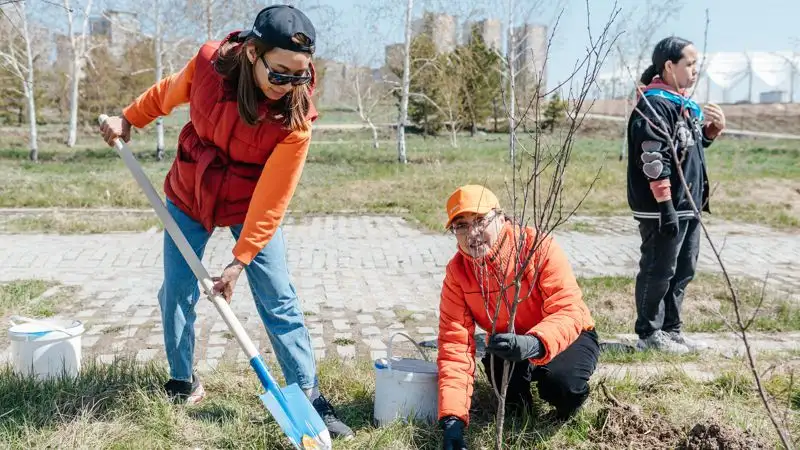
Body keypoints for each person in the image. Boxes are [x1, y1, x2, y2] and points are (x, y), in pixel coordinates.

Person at [98, 5, 353, 439]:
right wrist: (128, 118)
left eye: (301, 74)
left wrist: (240, 260)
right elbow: (167, 93)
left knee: (277, 297)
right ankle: (183, 381)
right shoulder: (208, 66)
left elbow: (273, 198)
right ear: (253, 53)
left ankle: (308, 395)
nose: (290, 84)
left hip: (250, 202)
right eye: (281, 73)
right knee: (176, 290)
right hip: (191, 189)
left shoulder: (296, 118)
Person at [436, 185, 599, 450]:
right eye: (461, 225)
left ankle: (569, 402)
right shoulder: (458, 272)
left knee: (560, 386)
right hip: (509, 345)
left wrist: (535, 343)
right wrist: (453, 420)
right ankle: (521, 405)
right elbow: (455, 346)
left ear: (501, 218)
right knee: (511, 402)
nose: (473, 233)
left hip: (569, 334)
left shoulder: (538, 246)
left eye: (480, 220)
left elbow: (568, 309)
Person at [626, 36, 726, 354]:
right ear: (669, 66)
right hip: (663, 207)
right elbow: (654, 160)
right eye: (690, 64)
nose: (695, 70)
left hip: (687, 204)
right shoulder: (655, 104)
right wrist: (666, 205)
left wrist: (710, 132)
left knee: (683, 269)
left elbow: (685, 149)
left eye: (697, 64)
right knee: (659, 268)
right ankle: (649, 333)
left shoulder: (682, 103)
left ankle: (671, 329)